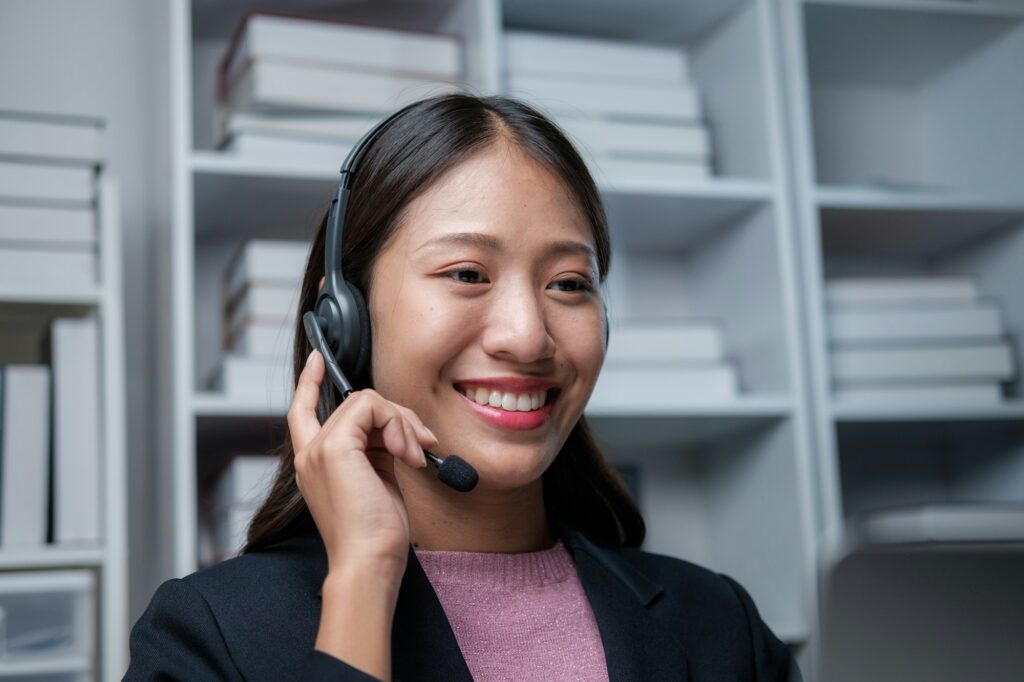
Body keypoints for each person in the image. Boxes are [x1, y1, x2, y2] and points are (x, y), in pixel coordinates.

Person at [125, 94, 799, 681]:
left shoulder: (719, 624)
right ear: (346, 320)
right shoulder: (211, 633)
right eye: (467, 273)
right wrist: (362, 579)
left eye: (568, 283)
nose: (528, 337)